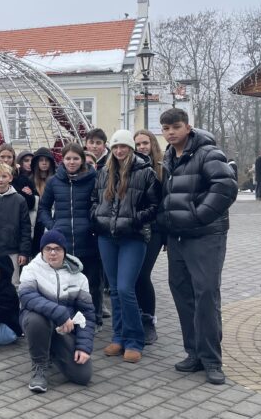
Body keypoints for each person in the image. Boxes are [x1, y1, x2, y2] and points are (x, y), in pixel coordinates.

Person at [157, 108, 237, 385]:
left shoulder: (207, 152)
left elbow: (225, 187)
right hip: (177, 239)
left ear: (187, 127)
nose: (170, 133)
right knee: (182, 294)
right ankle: (194, 353)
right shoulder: (169, 156)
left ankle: (213, 360)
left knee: (205, 296)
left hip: (205, 236)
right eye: (166, 128)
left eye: (175, 127)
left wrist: (196, 217)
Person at [91, 130, 160, 363]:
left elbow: (154, 205)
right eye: (116, 147)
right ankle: (118, 336)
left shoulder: (145, 173)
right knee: (115, 292)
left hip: (133, 237)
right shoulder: (103, 173)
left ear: (131, 149)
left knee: (125, 289)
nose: (119, 151)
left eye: (124, 147)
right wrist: (97, 218)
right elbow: (94, 200)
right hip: (106, 237)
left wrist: (134, 219)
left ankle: (134, 339)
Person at [19, 230, 95, 393]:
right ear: (42, 251)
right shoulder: (30, 270)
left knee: (83, 376)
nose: (53, 253)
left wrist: (84, 346)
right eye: (48, 248)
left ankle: (51, 348)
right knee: (36, 320)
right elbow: (27, 296)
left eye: (57, 249)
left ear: (64, 251)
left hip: (64, 330)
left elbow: (87, 314)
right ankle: (40, 367)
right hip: (40, 322)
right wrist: (61, 314)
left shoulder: (80, 278)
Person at [37, 143, 102, 327]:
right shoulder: (54, 181)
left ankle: (94, 319)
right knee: (65, 282)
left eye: (75, 158)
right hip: (63, 242)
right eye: (68, 158)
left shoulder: (94, 178)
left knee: (91, 282)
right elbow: (44, 208)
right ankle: (67, 318)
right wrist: (53, 226)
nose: (71, 162)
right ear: (62, 160)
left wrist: (94, 226)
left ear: (82, 159)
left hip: (88, 239)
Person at [133, 129, 166, 345]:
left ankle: (148, 321)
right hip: (136, 228)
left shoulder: (163, 169)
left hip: (155, 229)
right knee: (133, 276)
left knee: (143, 274)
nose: (142, 147)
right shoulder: (134, 168)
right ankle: (135, 318)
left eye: (145, 143)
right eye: (138, 144)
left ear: (153, 144)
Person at [30, 147, 56, 256]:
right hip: (36, 224)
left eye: (47, 160)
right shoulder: (30, 180)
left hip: (52, 221)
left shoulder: (56, 179)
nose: (44, 163)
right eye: (41, 160)